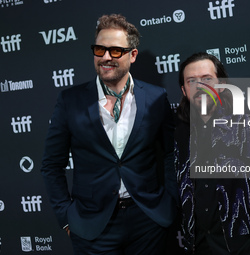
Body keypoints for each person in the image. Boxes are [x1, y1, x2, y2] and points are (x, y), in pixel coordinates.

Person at [41, 14, 178, 255]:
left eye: (115, 51)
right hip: (92, 225)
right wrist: (66, 216)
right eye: (99, 49)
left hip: (148, 220)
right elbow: (52, 164)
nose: (105, 57)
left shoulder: (156, 97)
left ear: (132, 55)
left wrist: (170, 203)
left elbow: (170, 155)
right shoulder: (70, 100)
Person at [175, 52, 250, 255]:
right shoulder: (180, 132)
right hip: (200, 244)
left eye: (207, 79)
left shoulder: (247, 125)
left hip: (243, 243)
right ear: (184, 90)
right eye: (192, 81)